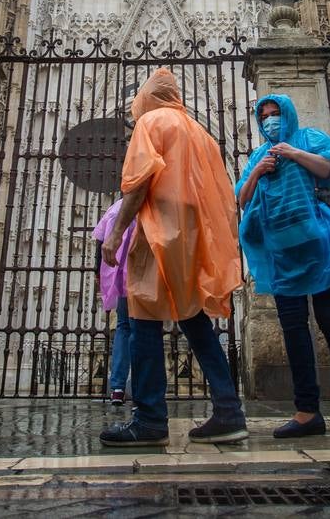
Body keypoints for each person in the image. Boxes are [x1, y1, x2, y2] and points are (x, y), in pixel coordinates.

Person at [99, 68, 247, 446]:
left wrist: (116, 233)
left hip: (160, 234)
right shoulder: (199, 131)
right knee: (194, 318)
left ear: (148, 97)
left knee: (144, 319)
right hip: (195, 236)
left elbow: (140, 181)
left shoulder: (153, 122)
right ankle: (229, 411)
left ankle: (150, 418)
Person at [235, 94, 330, 438]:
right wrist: (257, 172)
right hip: (281, 254)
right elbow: (241, 198)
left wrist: (293, 153)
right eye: (264, 115)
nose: (270, 120)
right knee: (294, 329)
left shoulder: (310, 139)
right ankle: (306, 411)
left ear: (288, 114)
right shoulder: (257, 155)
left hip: (318, 247)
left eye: (275, 113)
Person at [93, 198, 135, 406]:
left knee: (124, 328)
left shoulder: (114, 209)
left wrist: (98, 273)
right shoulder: (147, 206)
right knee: (146, 328)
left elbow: (100, 241)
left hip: (123, 280)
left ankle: (117, 387)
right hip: (146, 278)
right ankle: (143, 386)